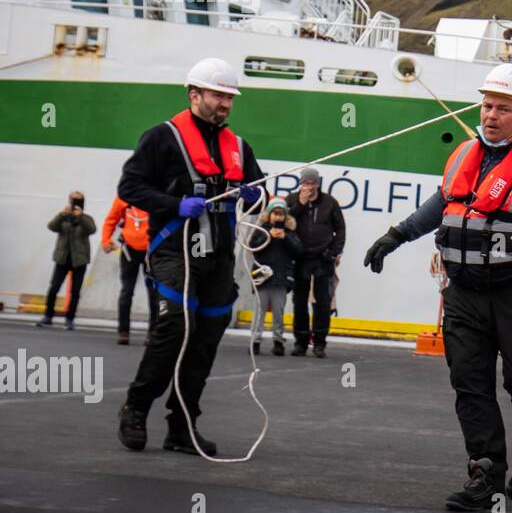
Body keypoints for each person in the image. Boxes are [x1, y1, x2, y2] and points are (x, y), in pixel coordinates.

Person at [363, 63, 512, 510]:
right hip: (464, 292)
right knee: (469, 382)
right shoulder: (463, 156)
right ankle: (484, 471)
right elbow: (439, 205)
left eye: (503, 107)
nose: (491, 115)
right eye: (487, 105)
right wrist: (395, 236)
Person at [116, 57, 264, 456]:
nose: (226, 104)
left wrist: (255, 195)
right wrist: (173, 204)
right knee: (175, 330)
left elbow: (259, 188)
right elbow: (130, 186)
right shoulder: (160, 139)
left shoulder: (238, 147)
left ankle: (182, 425)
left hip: (217, 257)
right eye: (218, 95)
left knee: (206, 340)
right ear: (193, 94)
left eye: (230, 97)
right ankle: (135, 407)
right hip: (172, 250)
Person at [287, 166, 346, 358]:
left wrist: (334, 252)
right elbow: (285, 223)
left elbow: (341, 229)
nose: (309, 187)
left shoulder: (329, 202)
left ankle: (320, 343)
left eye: (312, 183)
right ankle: (300, 342)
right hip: (300, 257)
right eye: (305, 183)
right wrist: (301, 204)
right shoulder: (292, 200)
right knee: (299, 301)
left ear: (317, 184)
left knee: (322, 302)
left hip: (323, 258)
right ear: (301, 183)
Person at [101, 196, 158, 345]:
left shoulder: (155, 195)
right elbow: (111, 220)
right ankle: (123, 331)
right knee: (127, 291)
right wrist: (106, 240)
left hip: (151, 250)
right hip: (129, 250)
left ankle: (153, 332)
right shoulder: (124, 198)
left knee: (154, 293)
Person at [39, 191, 96, 330]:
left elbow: (92, 230)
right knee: (54, 288)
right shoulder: (63, 217)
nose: (75, 204)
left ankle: (70, 318)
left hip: (79, 260)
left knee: (75, 291)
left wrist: (80, 216)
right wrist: (61, 214)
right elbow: (51, 226)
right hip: (62, 258)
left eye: (78, 201)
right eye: (73, 201)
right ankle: (48, 316)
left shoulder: (86, 218)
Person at [252, 198, 301, 356]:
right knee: (259, 312)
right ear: (269, 215)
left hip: (280, 278)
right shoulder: (261, 230)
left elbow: (298, 251)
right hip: (262, 277)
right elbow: (253, 247)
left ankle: (278, 341)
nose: (278, 217)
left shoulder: (290, 233)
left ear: (285, 217)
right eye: (275, 213)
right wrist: (269, 237)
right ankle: (255, 341)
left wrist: (284, 238)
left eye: (281, 214)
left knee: (278, 313)